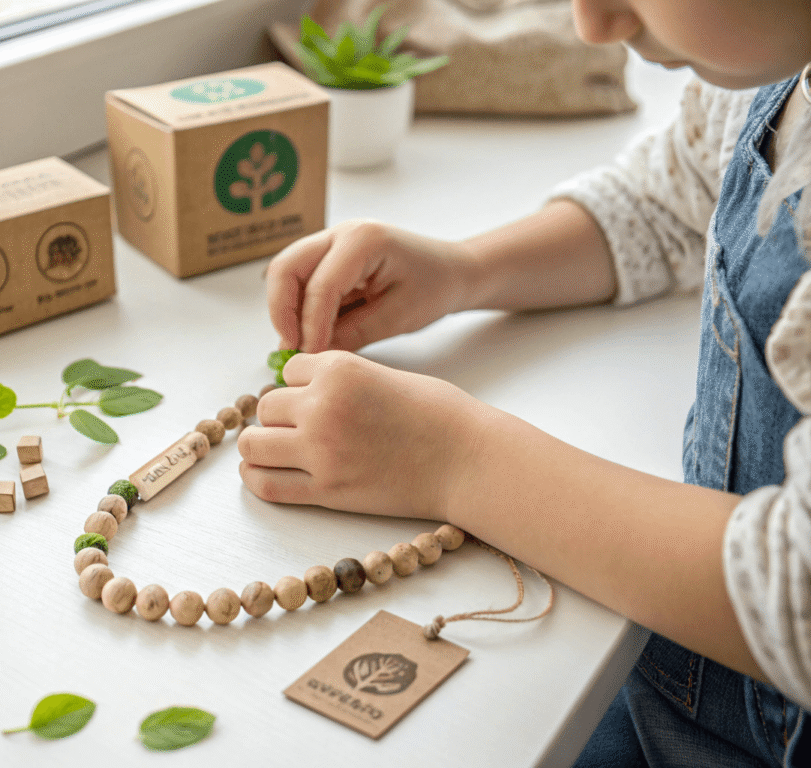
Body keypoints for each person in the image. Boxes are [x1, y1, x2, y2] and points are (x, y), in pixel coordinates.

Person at [236, 0, 811, 765]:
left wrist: (451, 458)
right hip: (678, 680)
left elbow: (795, 592)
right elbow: (667, 204)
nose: (593, 26)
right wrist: (463, 270)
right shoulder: (768, 71)